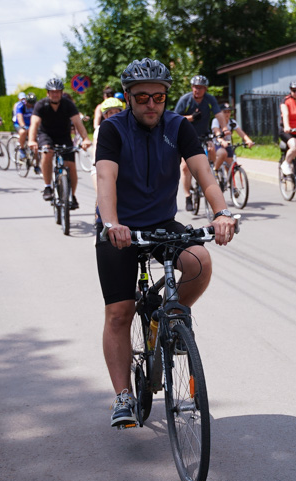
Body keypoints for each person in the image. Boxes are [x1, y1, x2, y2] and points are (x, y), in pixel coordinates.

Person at [94, 58, 238, 427]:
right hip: (121, 229)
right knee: (120, 313)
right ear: (127, 97)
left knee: (199, 261)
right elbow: (105, 181)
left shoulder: (177, 126)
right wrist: (112, 223)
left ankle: (167, 317)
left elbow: (204, 174)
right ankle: (123, 396)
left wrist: (221, 213)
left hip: (160, 223)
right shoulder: (112, 130)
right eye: (142, 97)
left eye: (158, 96)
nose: (151, 104)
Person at [28, 78, 91, 208]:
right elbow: (34, 124)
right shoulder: (41, 105)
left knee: (71, 165)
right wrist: (32, 140)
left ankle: (71, 196)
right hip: (46, 135)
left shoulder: (68, 104)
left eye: (58, 92)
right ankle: (47, 187)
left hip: (63, 136)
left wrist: (85, 138)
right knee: (47, 152)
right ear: (47, 93)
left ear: (62, 93)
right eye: (52, 92)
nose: (55, 94)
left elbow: (78, 123)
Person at [174, 75, 228, 212]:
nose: (197, 90)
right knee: (186, 167)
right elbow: (174, 118)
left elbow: (219, 114)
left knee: (212, 150)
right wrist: (191, 118)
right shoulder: (185, 100)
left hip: (204, 134)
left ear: (205, 89)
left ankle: (213, 172)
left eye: (201, 88)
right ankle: (187, 196)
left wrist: (225, 128)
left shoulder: (210, 99)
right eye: (195, 87)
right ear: (192, 87)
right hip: (187, 136)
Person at [211, 102, 254, 175]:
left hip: (228, 144)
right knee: (223, 153)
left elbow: (241, 133)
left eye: (229, 112)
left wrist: (248, 140)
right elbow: (216, 132)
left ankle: (230, 185)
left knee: (230, 166)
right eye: (224, 112)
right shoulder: (216, 121)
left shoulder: (232, 122)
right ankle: (215, 170)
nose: (227, 114)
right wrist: (221, 140)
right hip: (217, 144)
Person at [13, 92, 37, 159]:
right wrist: (23, 126)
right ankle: (22, 149)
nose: (30, 106)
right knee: (23, 132)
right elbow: (19, 117)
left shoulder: (35, 106)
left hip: (30, 125)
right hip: (19, 124)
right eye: (29, 104)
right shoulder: (20, 106)